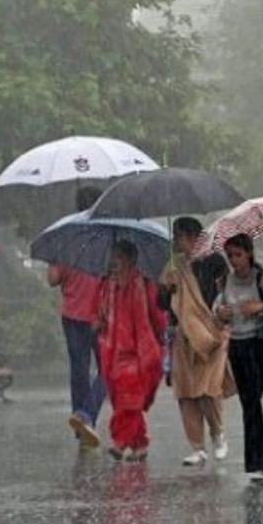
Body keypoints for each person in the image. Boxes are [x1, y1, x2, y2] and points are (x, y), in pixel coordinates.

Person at [163, 216, 233, 467]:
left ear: (193, 236)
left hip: (211, 333)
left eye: (179, 236)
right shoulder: (174, 267)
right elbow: (164, 305)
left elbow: (225, 293)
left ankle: (218, 433)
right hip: (183, 336)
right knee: (186, 393)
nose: (177, 241)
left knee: (207, 389)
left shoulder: (215, 261)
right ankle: (197, 446)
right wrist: (167, 288)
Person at [214, 233, 263, 481]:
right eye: (230, 255)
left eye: (238, 255)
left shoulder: (262, 280)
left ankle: (261, 461)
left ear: (249, 254)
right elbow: (217, 311)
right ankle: (258, 463)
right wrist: (220, 313)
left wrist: (261, 308)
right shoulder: (225, 282)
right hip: (238, 346)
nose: (234, 261)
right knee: (248, 403)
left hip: (261, 345)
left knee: (252, 400)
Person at [95, 241, 167, 461]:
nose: (115, 263)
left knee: (130, 400)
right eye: (113, 257)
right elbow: (98, 314)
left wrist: (160, 340)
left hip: (138, 353)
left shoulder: (144, 285)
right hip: (112, 351)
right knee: (122, 400)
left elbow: (158, 317)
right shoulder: (106, 286)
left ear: (131, 260)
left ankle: (120, 441)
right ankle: (139, 444)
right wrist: (98, 322)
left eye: (119, 257)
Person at [49, 186, 106, 450]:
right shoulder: (107, 235)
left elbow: (52, 279)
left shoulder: (66, 236)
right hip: (103, 314)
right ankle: (87, 415)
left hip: (72, 314)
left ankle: (81, 424)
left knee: (79, 372)